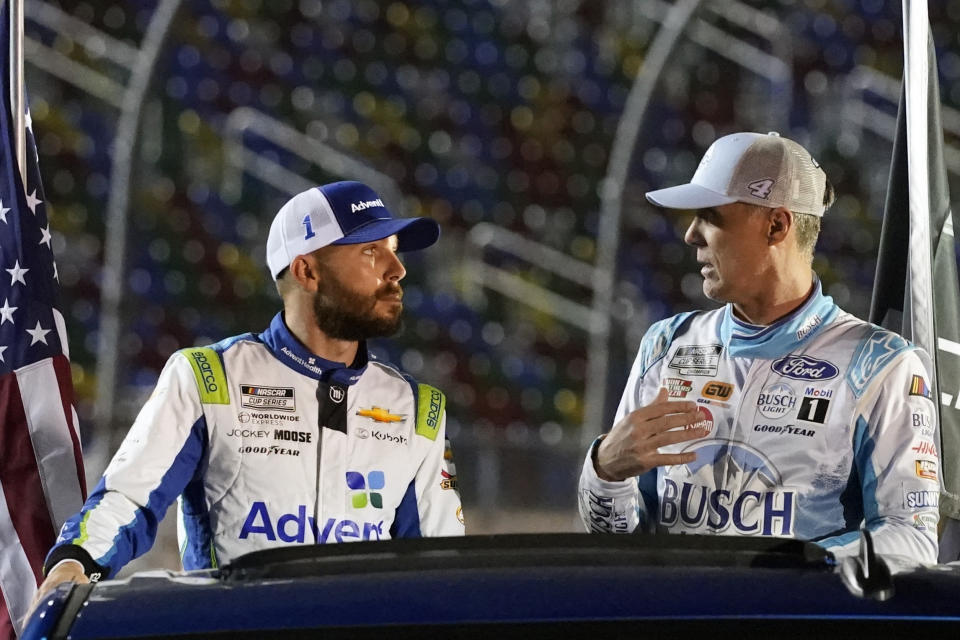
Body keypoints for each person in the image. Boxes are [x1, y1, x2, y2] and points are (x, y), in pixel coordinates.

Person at [35, 180, 464, 598]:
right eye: (371, 252)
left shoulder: (417, 407)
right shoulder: (207, 377)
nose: (398, 270)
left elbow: (438, 566)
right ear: (307, 271)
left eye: (393, 251)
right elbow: (128, 499)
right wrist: (74, 562)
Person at [578, 132, 939, 565]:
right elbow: (616, 542)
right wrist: (605, 473)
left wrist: (783, 570)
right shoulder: (666, 345)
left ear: (777, 226)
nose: (692, 234)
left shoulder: (881, 364)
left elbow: (912, 541)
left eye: (710, 216)